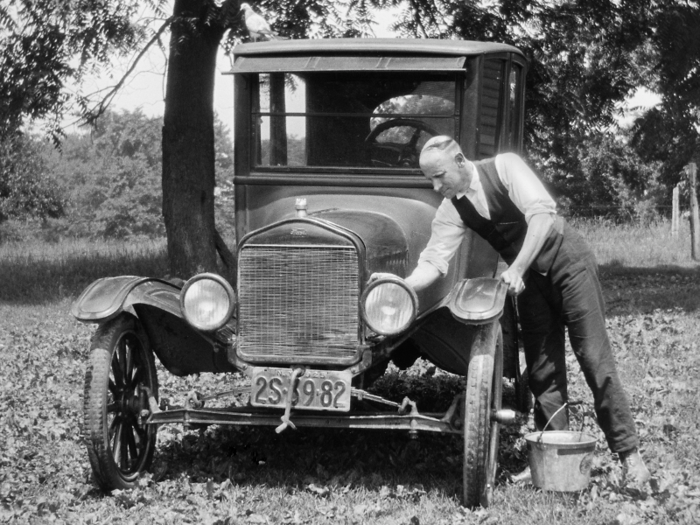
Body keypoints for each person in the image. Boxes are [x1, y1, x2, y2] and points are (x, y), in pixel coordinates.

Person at [394, 135, 650, 485]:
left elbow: (542, 216)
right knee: (542, 370)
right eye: (430, 180)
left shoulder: (505, 167)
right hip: (528, 279)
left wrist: (516, 268)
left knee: (593, 357)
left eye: (439, 175)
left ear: (459, 159)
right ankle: (549, 454)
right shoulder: (452, 208)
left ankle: (629, 456)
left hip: (567, 262)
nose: (436, 186)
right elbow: (434, 262)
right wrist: (404, 285)